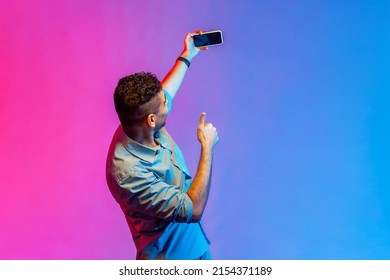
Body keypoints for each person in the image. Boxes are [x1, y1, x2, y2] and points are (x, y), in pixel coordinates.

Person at [106, 31, 219, 260]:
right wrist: (207, 147)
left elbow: (166, 91)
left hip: (193, 245)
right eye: (164, 103)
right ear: (151, 119)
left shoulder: (140, 125)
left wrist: (187, 55)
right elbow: (193, 209)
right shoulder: (128, 174)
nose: (168, 100)